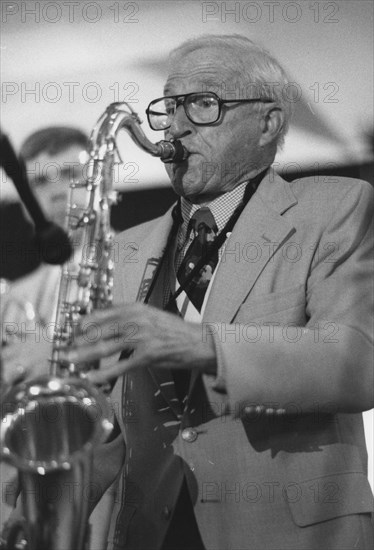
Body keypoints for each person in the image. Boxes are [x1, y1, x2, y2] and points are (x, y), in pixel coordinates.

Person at [21, 35, 374, 549]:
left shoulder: (336, 208)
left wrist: (199, 344)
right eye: (170, 107)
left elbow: (358, 361)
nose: (176, 125)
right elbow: (105, 424)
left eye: (203, 104)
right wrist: (37, 500)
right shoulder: (125, 249)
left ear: (268, 123)